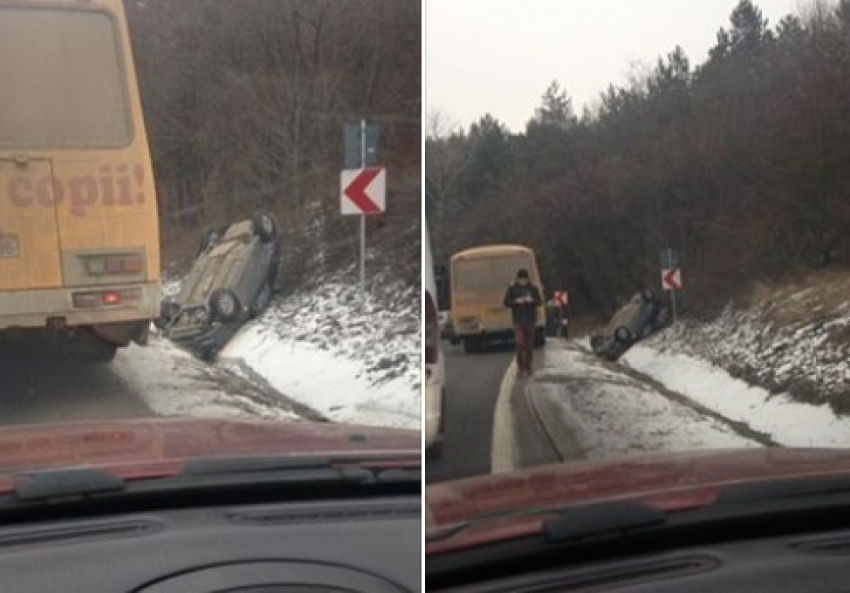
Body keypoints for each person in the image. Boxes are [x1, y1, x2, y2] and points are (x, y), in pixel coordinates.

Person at [503, 269, 542, 377]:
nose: (522, 281)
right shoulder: (512, 289)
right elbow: (506, 302)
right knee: (520, 344)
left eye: (524, 279)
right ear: (518, 279)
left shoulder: (533, 288)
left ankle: (528, 366)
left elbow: (539, 301)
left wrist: (531, 301)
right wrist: (515, 302)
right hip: (518, 320)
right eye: (521, 279)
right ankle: (520, 367)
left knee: (529, 344)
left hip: (530, 319)